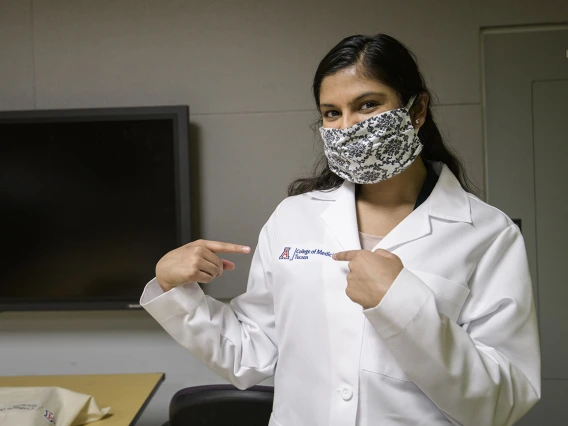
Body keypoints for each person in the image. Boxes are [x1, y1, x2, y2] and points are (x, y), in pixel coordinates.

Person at [140, 34, 541, 426]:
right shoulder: (293, 219)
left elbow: (500, 404)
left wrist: (402, 304)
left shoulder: (487, 234)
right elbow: (248, 354)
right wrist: (174, 288)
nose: (348, 128)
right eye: (332, 113)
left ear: (417, 111)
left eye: (367, 105)